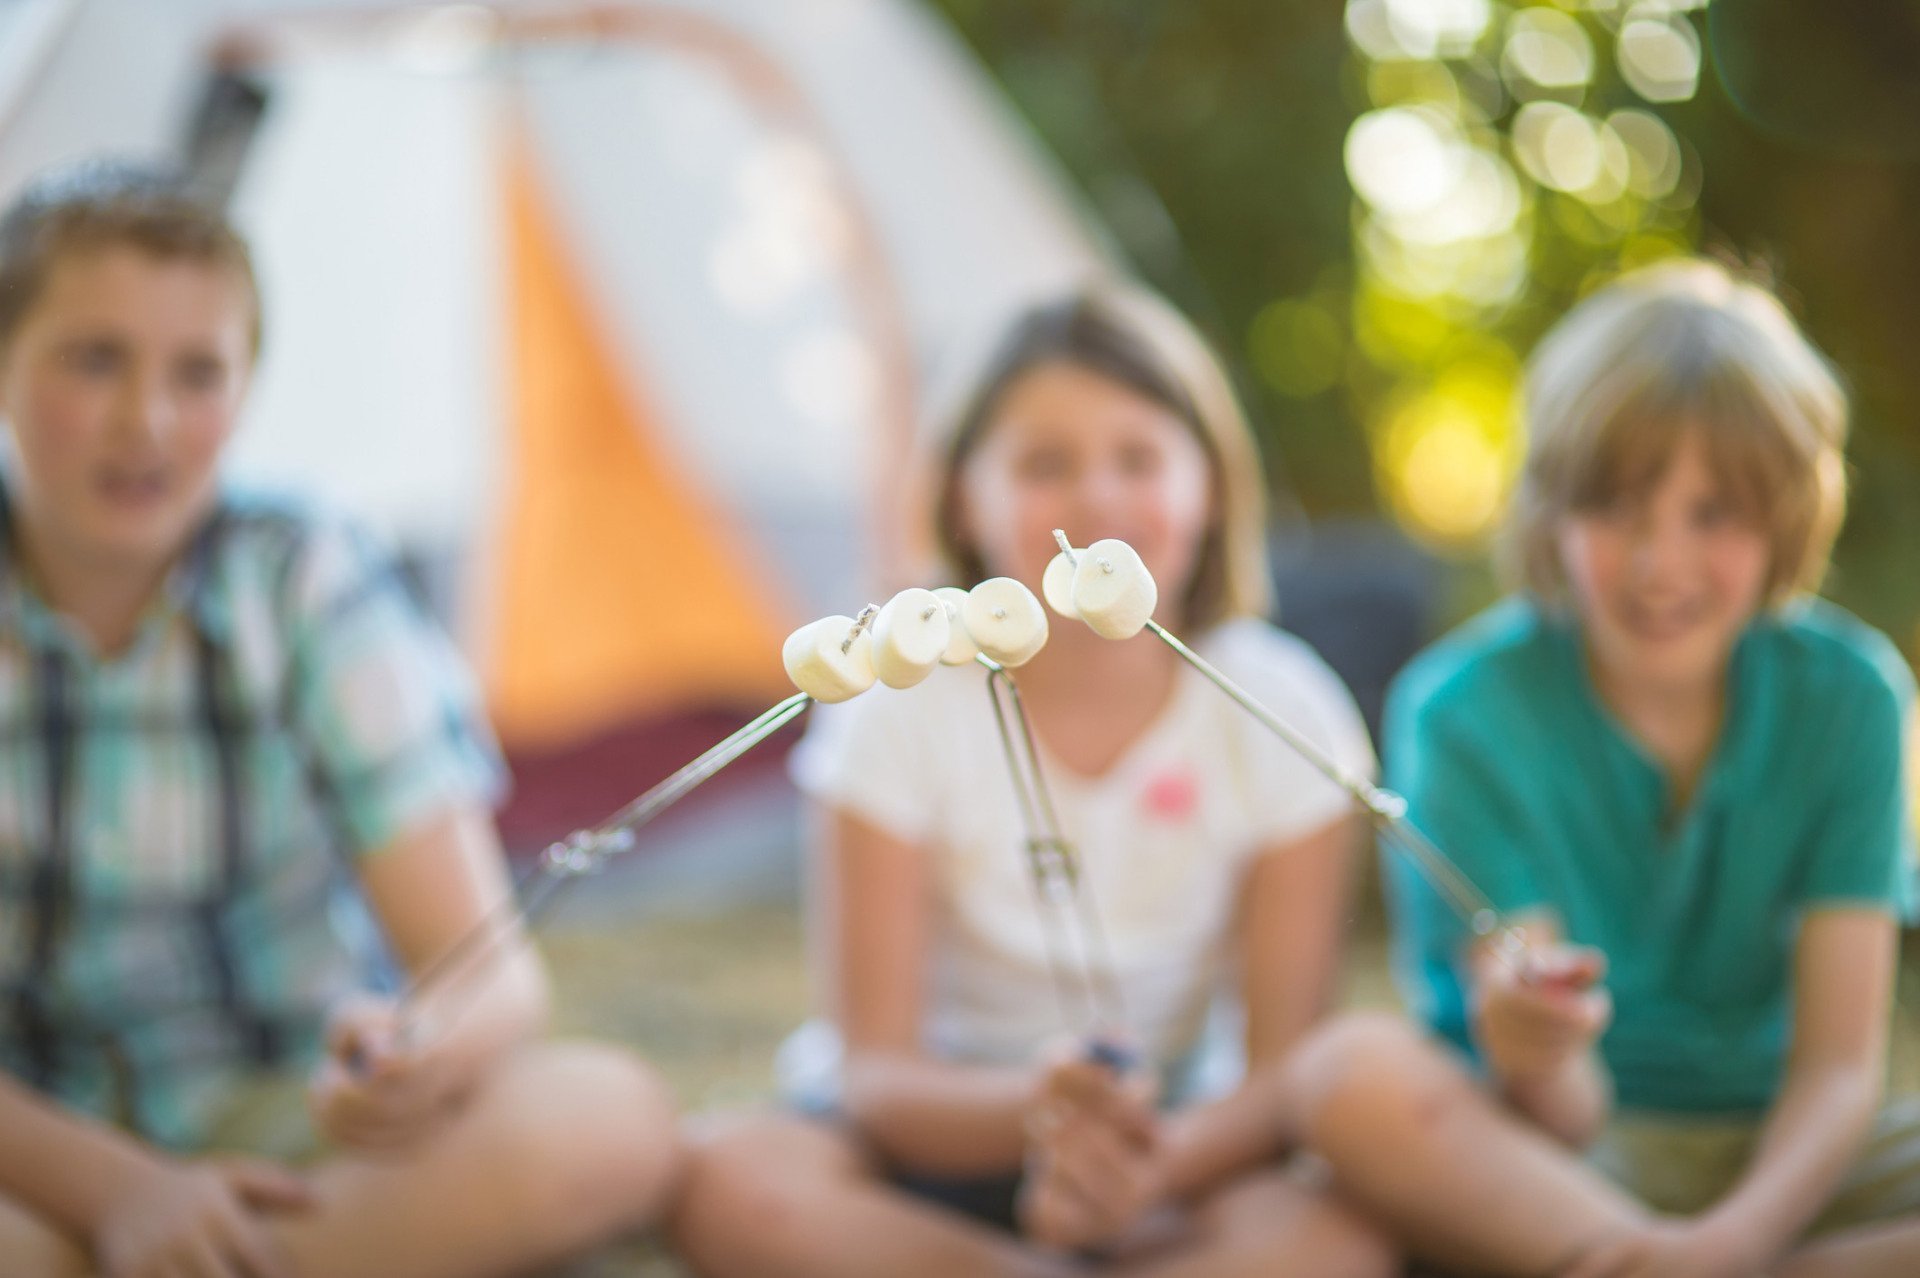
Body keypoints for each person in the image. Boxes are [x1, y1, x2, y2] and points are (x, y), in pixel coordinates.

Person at [0, 161, 680, 1278]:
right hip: (33, 1151)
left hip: (283, 1120)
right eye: (94, 360)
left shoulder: (305, 573)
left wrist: (417, 1054)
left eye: (197, 373)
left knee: (607, 1122)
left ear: (246, 392)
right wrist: (124, 1194)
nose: (146, 421)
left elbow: (487, 971)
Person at [671, 286, 1395, 1276]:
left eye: (1138, 460)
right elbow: (875, 1071)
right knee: (731, 1176)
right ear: (963, 497)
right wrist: (1041, 1109)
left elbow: (1281, 1076)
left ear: (1212, 489)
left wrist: (1144, 1170)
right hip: (926, 1148)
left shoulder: (1281, 706)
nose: (1097, 500)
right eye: (1045, 465)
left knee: (1331, 1237)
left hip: (1173, 1150)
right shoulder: (893, 711)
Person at [1288, 258, 1920, 1277]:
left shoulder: (1852, 697)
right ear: (1552, 512)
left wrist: (1729, 1244)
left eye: (1715, 515)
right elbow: (1567, 1112)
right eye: (1619, 507)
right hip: (1550, 1160)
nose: (1661, 563)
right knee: (1345, 1075)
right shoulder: (1463, 712)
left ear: (1786, 519)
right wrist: (1537, 1051)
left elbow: (1841, 1070)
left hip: (1787, 1156)